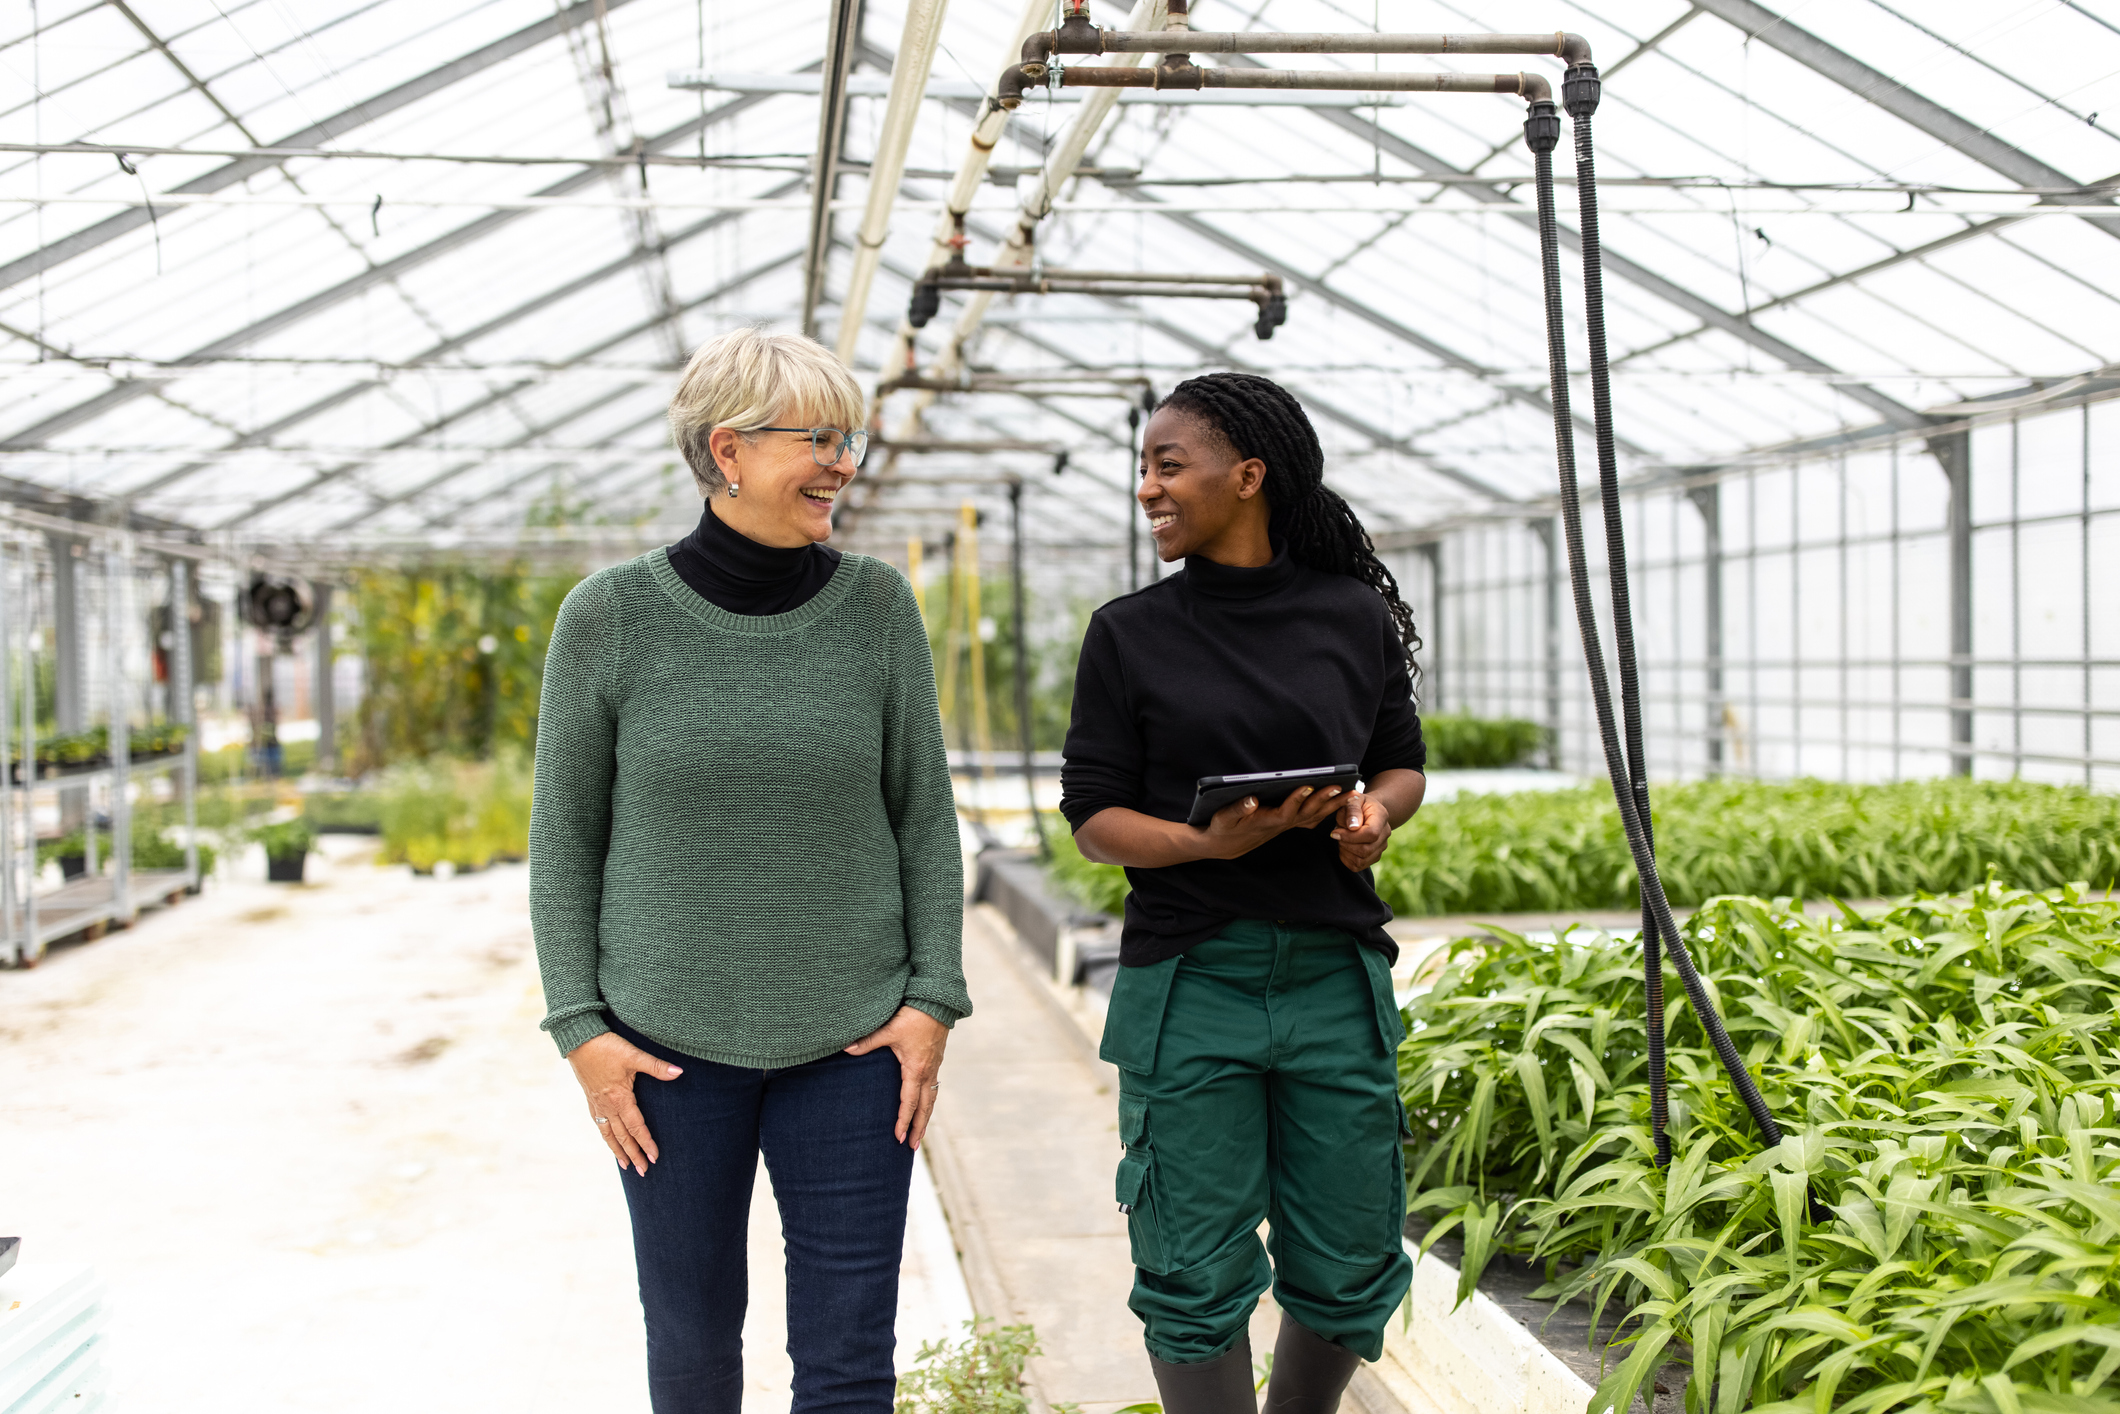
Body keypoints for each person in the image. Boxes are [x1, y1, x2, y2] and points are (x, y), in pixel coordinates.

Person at [529, 325, 971, 1414]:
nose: (843, 462)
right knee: (688, 1344)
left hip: (857, 1044)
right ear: (726, 452)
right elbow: (562, 841)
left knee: (848, 1355)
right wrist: (581, 1030)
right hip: (665, 1055)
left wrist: (930, 1004)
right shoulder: (610, 619)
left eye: (848, 437)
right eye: (817, 438)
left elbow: (923, 817)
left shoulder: (875, 608)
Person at [1059, 372, 1427, 1414]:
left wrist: (1373, 818)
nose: (1146, 488)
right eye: (1143, 467)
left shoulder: (1349, 615)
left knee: (1353, 1253)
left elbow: (1398, 762)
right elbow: (1091, 814)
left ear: (1248, 475)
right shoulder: (1128, 633)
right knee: (1188, 1260)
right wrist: (1200, 840)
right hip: (1191, 978)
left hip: (1332, 976)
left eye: (1166, 464)